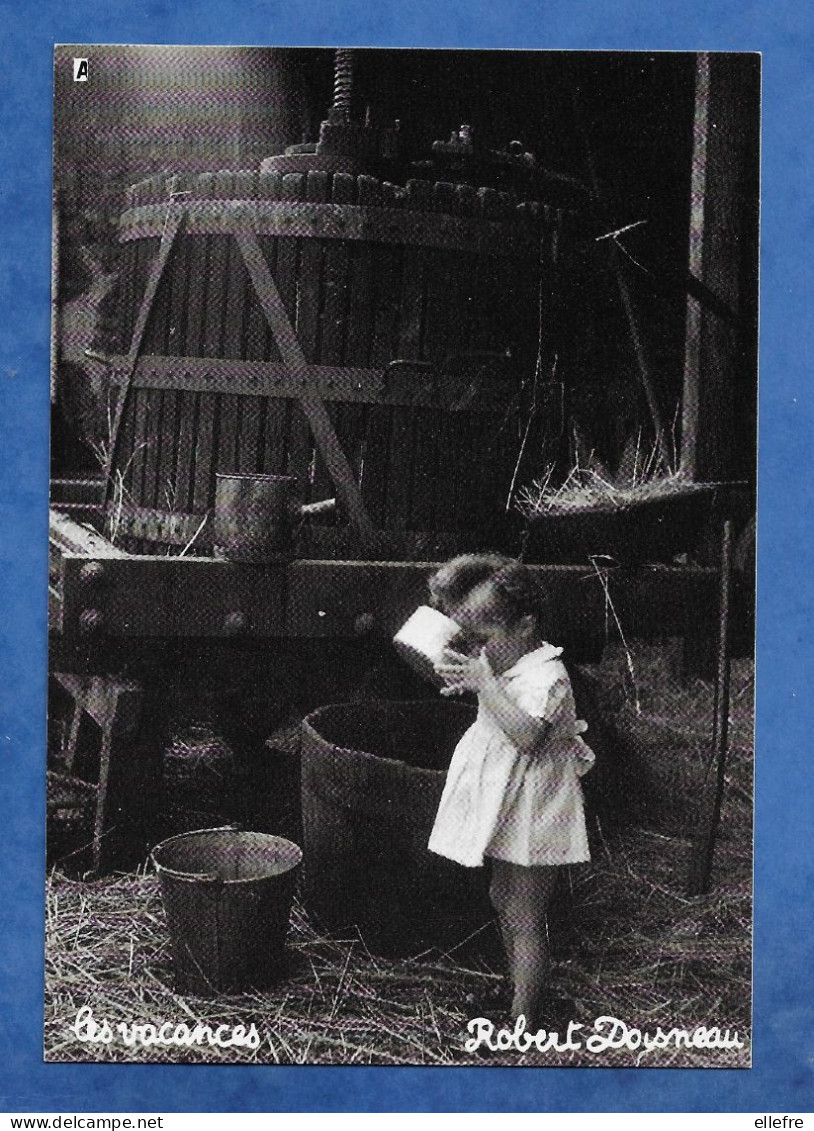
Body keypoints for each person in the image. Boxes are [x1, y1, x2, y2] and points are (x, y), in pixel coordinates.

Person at [426, 553, 594, 1029]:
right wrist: (474, 679)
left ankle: (524, 1019)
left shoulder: (549, 676)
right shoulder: (505, 666)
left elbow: (527, 736)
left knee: (525, 914)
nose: (477, 652)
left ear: (525, 625)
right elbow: (492, 701)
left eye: (484, 640)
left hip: (535, 811)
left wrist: (485, 686)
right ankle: (519, 989)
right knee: (505, 898)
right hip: (511, 804)